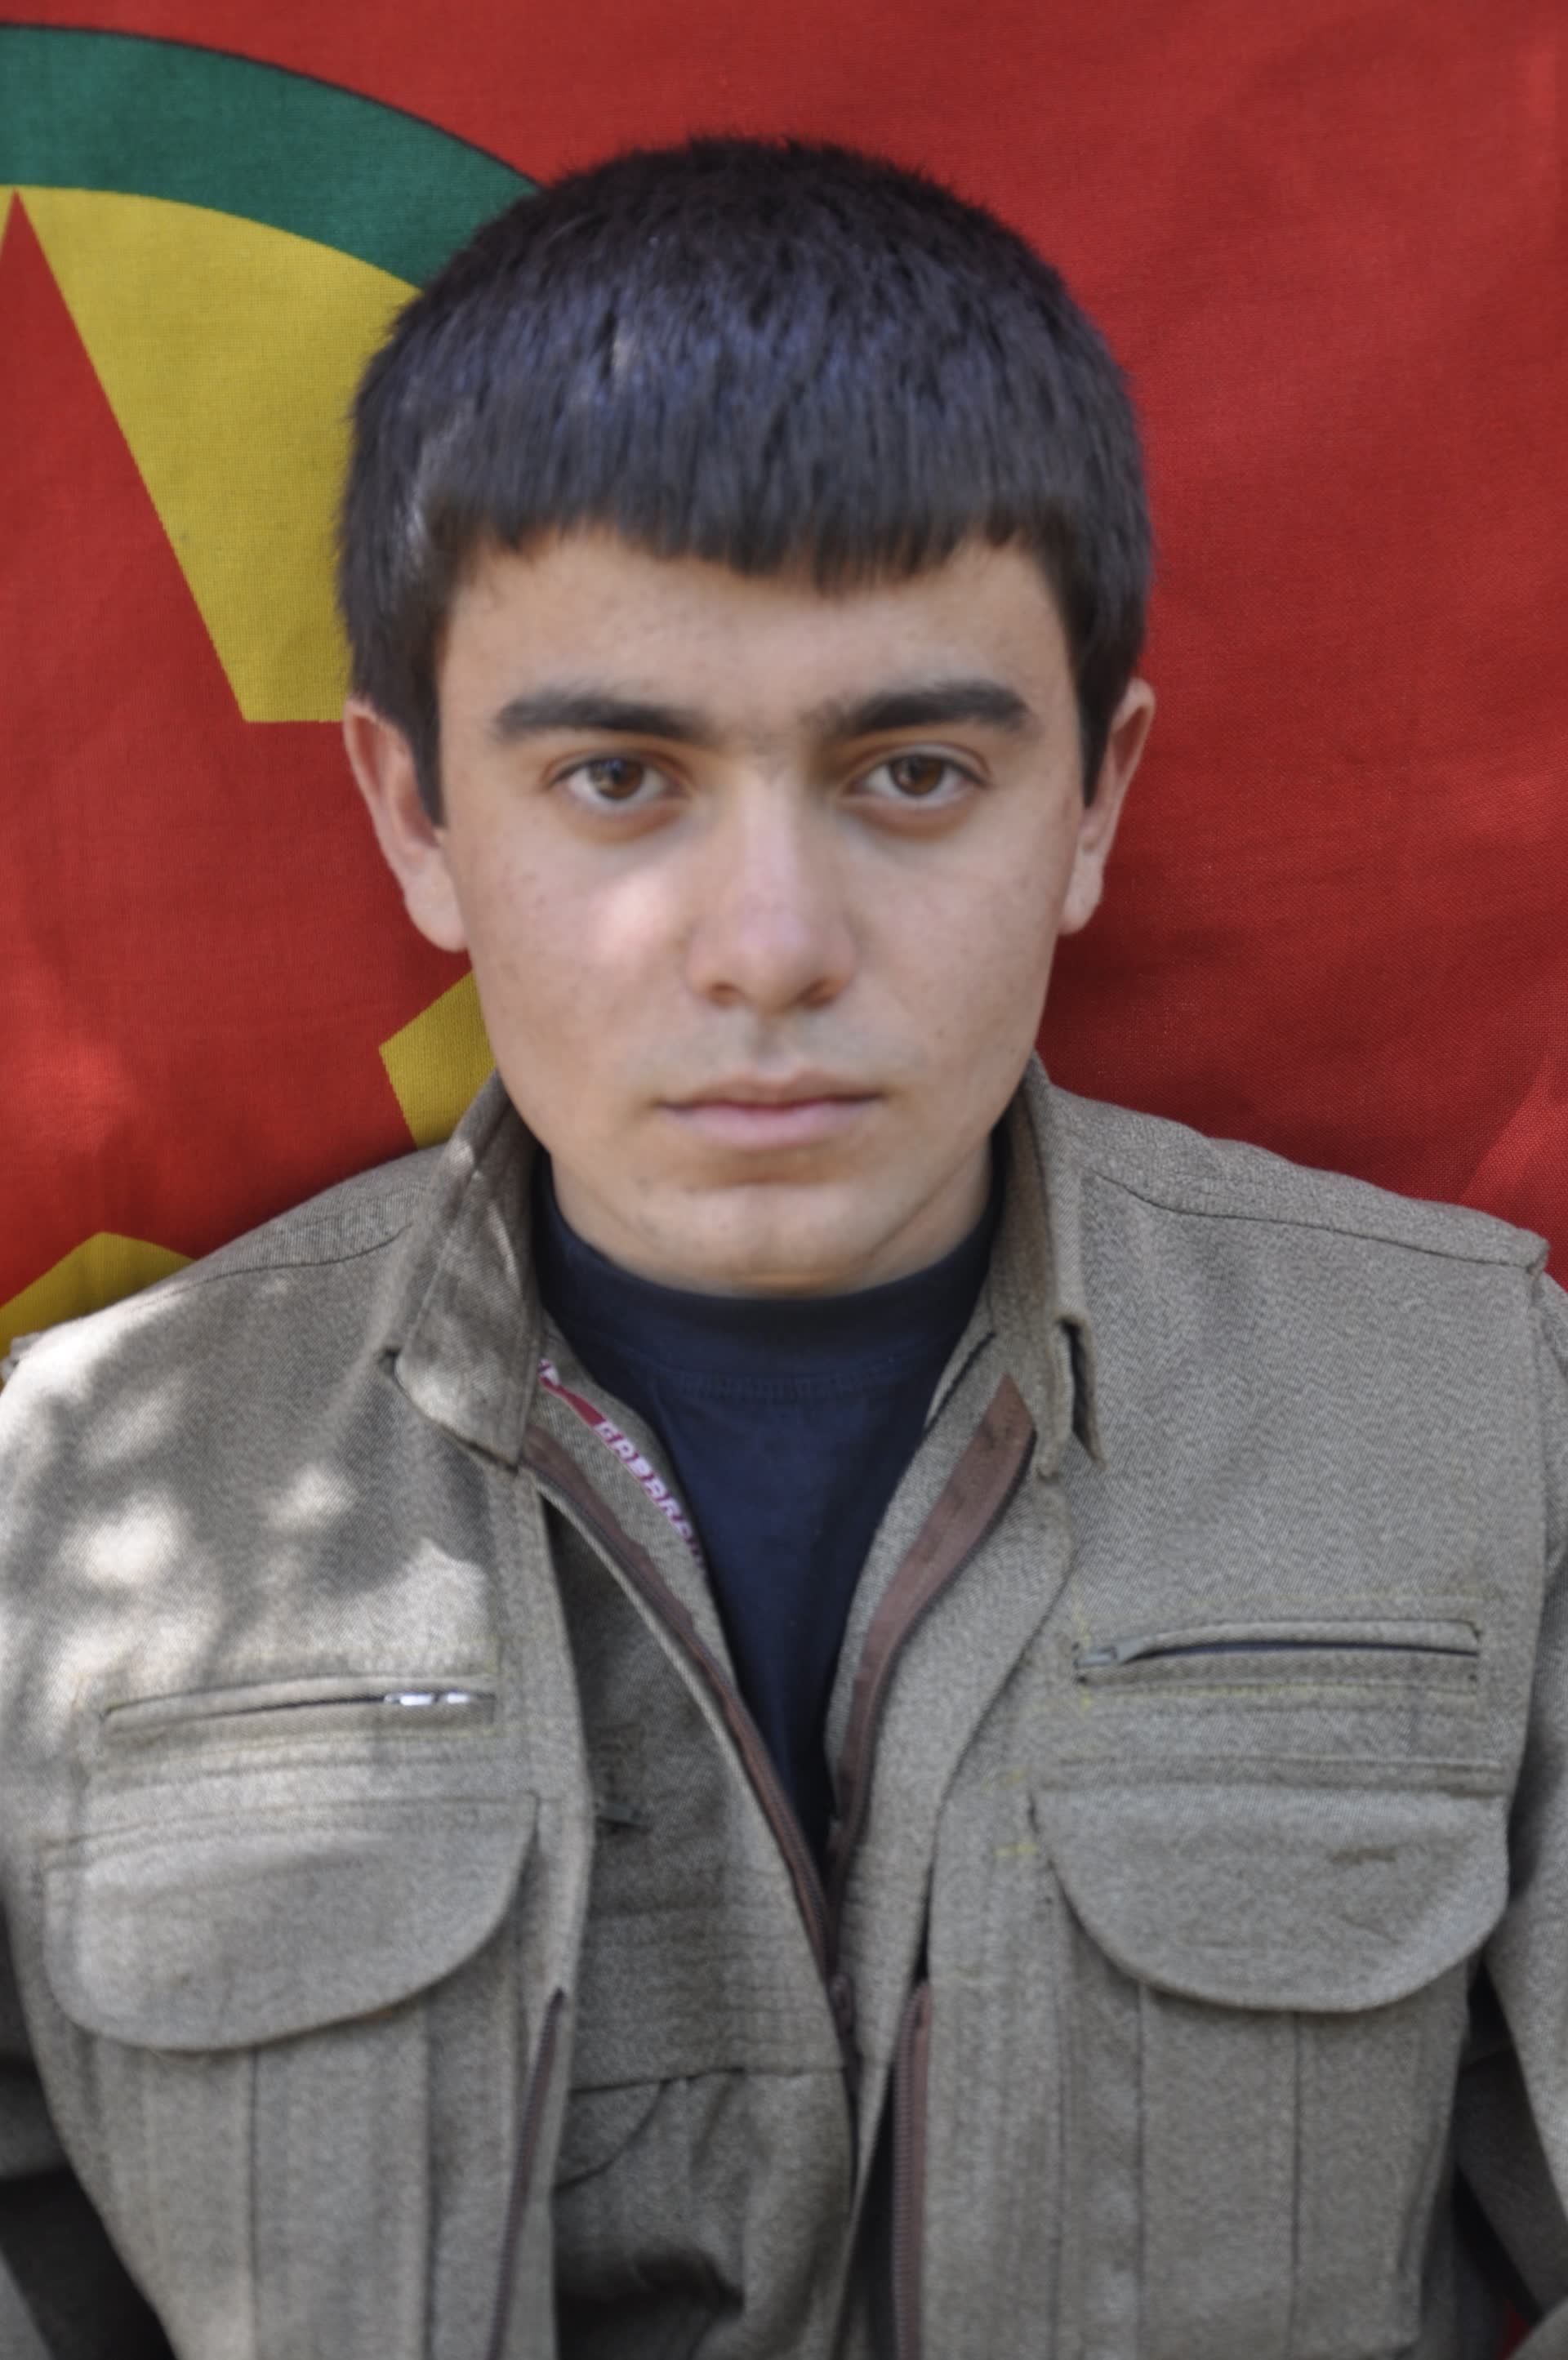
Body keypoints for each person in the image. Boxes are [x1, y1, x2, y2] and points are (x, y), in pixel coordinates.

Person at [0, 135, 1564, 2360]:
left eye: (911, 772)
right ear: (417, 815)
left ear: (1095, 801)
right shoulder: (53, 1517)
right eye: (618, 778)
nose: (768, 946)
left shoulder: (1476, 1417)